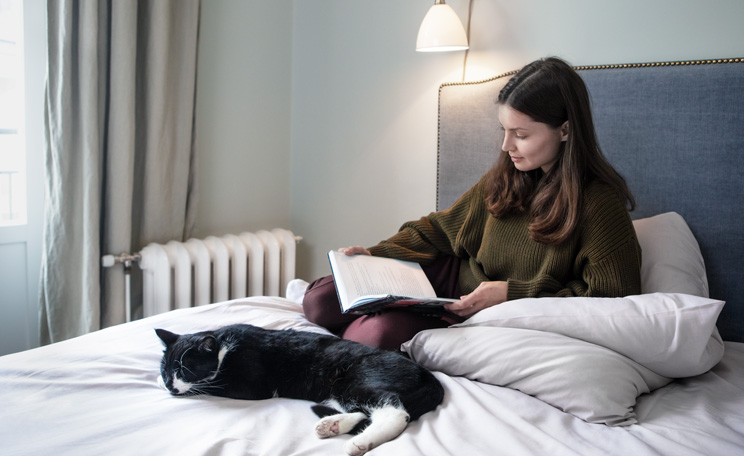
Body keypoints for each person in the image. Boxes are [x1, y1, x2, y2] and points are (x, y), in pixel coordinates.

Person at [302, 57, 642, 350]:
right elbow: (437, 230)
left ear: (565, 131)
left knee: (377, 336)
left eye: (521, 134)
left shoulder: (599, 204)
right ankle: (371, 322)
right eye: (504, 130)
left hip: (472, 308)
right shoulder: (508, 176)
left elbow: (612, 300)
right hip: (445, 278)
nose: (507, 145)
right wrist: (375, 255)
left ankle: (368, 334)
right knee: (319, 299)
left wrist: (511, 294)